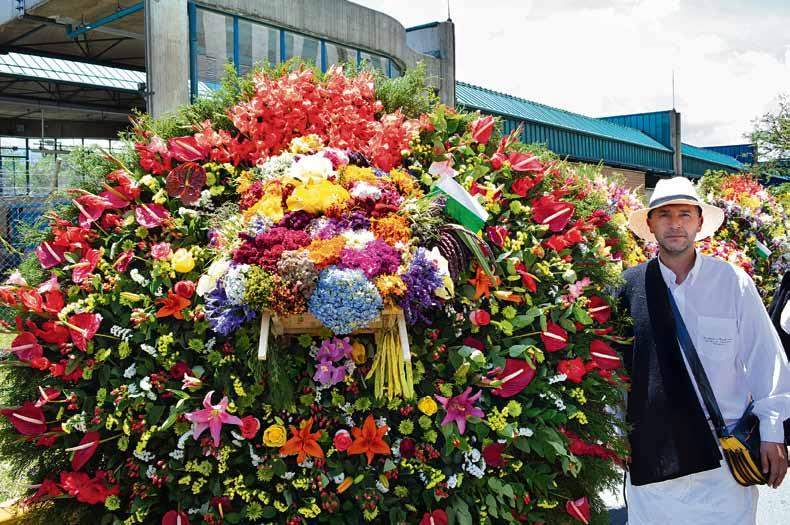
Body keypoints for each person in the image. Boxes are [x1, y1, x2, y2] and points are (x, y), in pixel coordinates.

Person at [616, 177, 790, 524]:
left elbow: (766, 358)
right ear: (650, 224)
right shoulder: (627, 287)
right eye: (664, 215)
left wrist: (773, 433)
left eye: (684, 214)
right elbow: (617, 370)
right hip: (654, 459)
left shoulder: (732, 282)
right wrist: (615, 435)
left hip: (723, 462)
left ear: (698, 222)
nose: (675, 223)